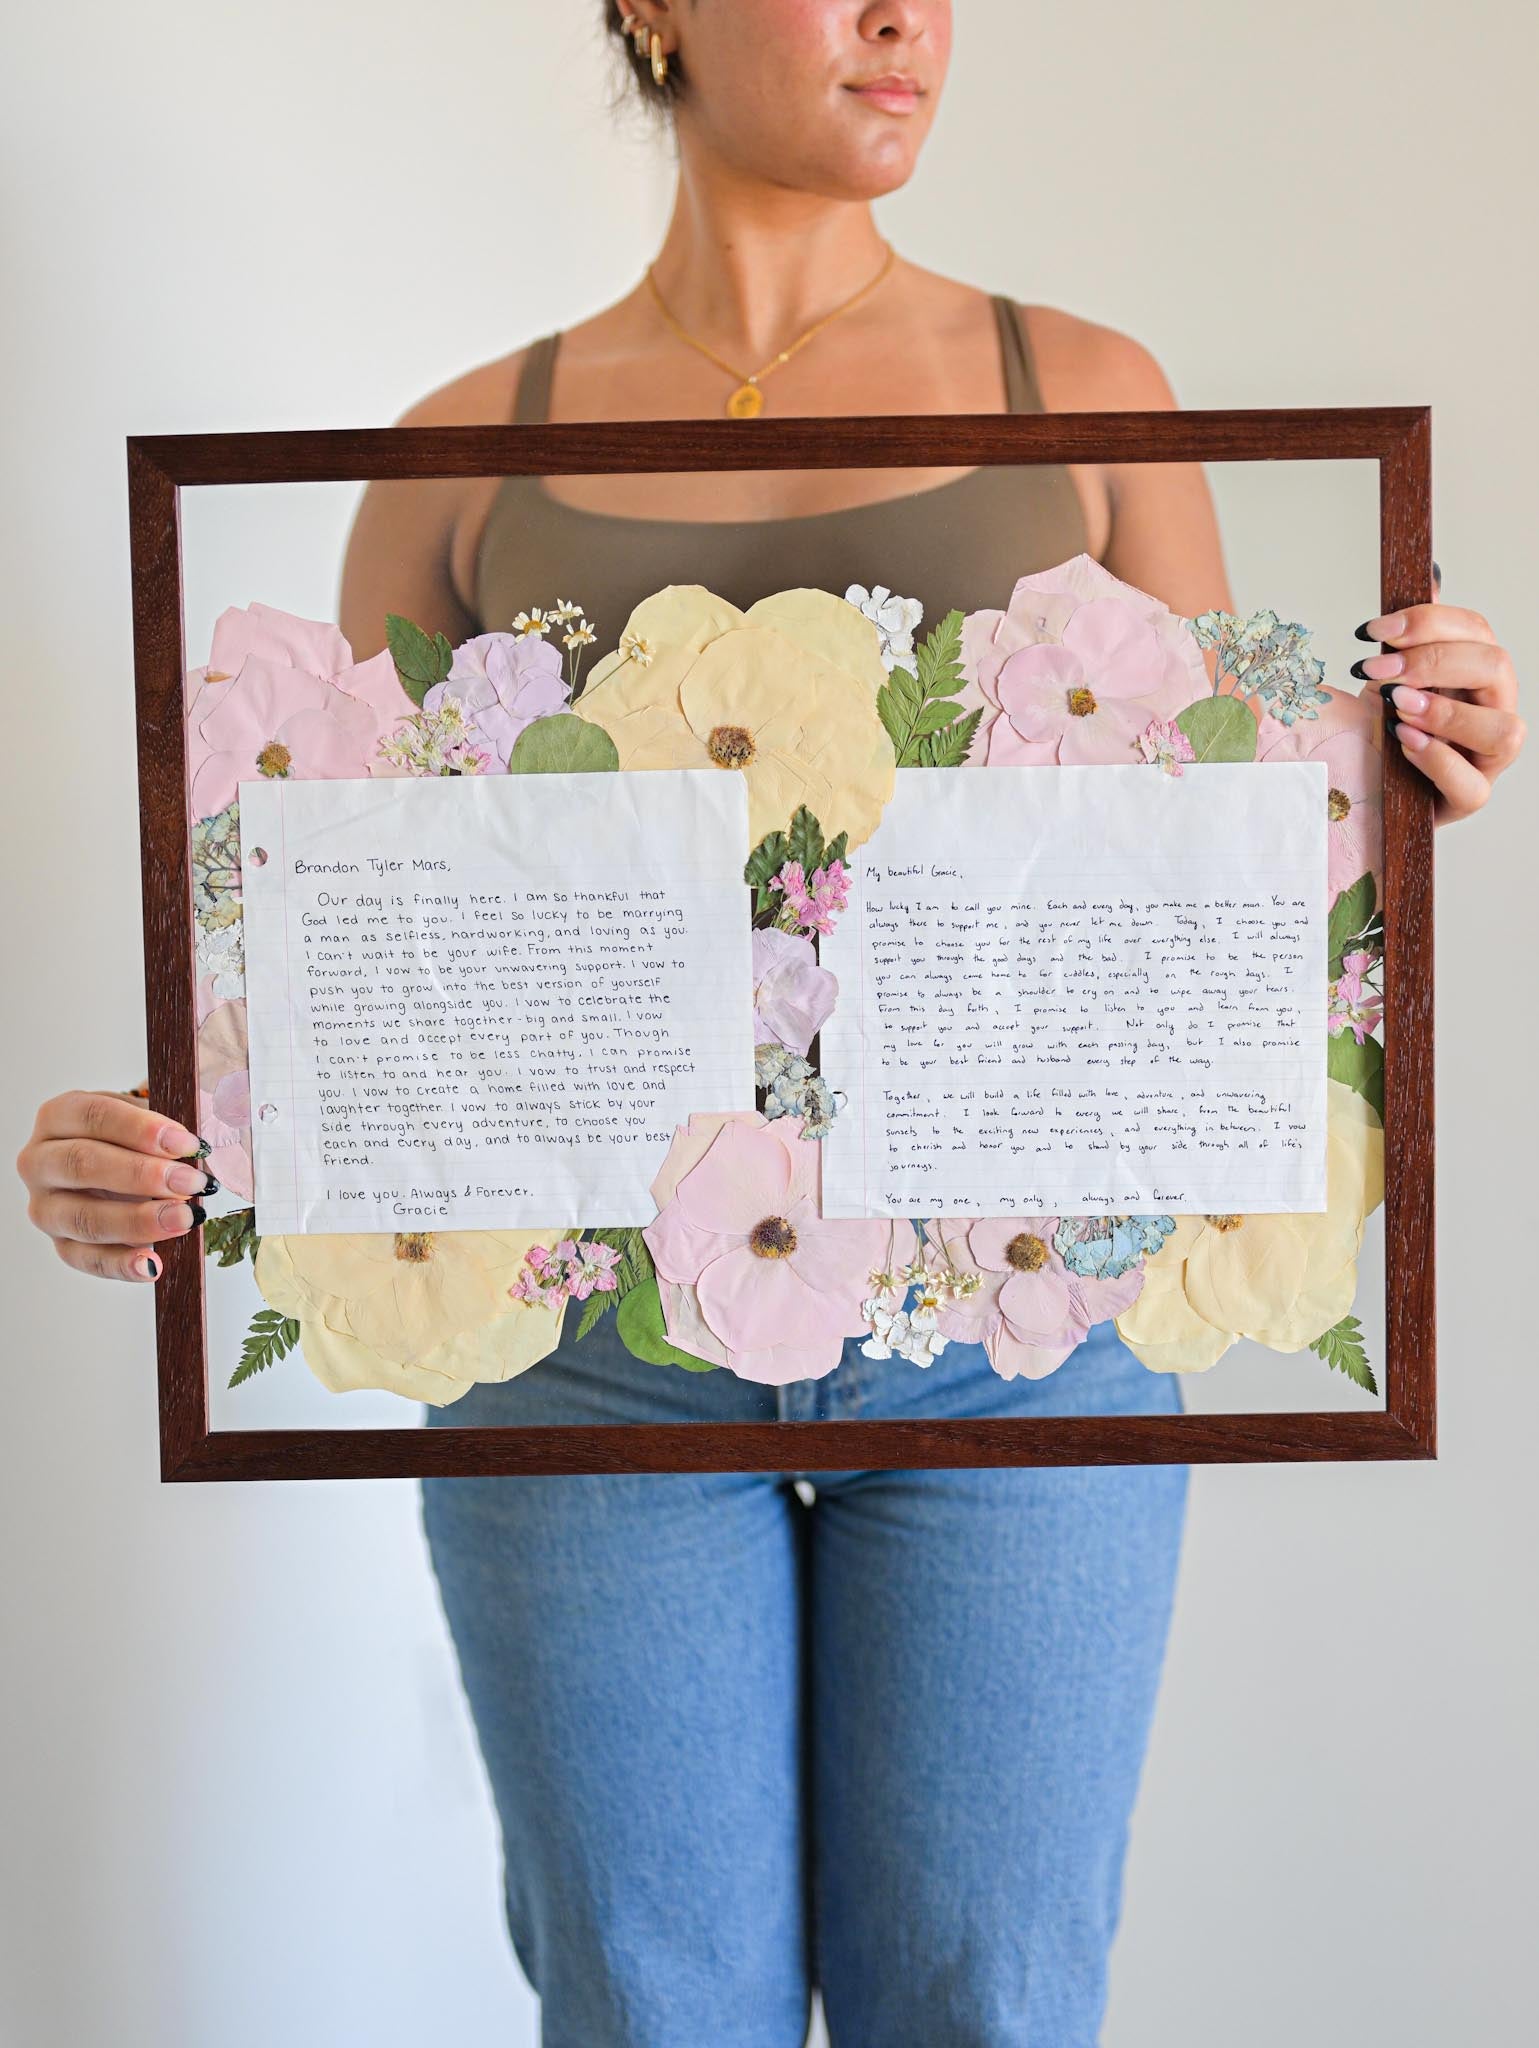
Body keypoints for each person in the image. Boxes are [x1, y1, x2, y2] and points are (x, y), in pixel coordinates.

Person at [16, 5, 1526, 2042]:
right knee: (650, 2006)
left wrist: (1398, 764)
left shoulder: (1088, 397)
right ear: (648, 4)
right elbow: (352, 952)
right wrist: (169, 1140)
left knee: (990, 1997)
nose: (908, 17)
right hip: (580, 1372)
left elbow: (1212, 877)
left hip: (1023, 1355)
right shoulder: (456, 454)